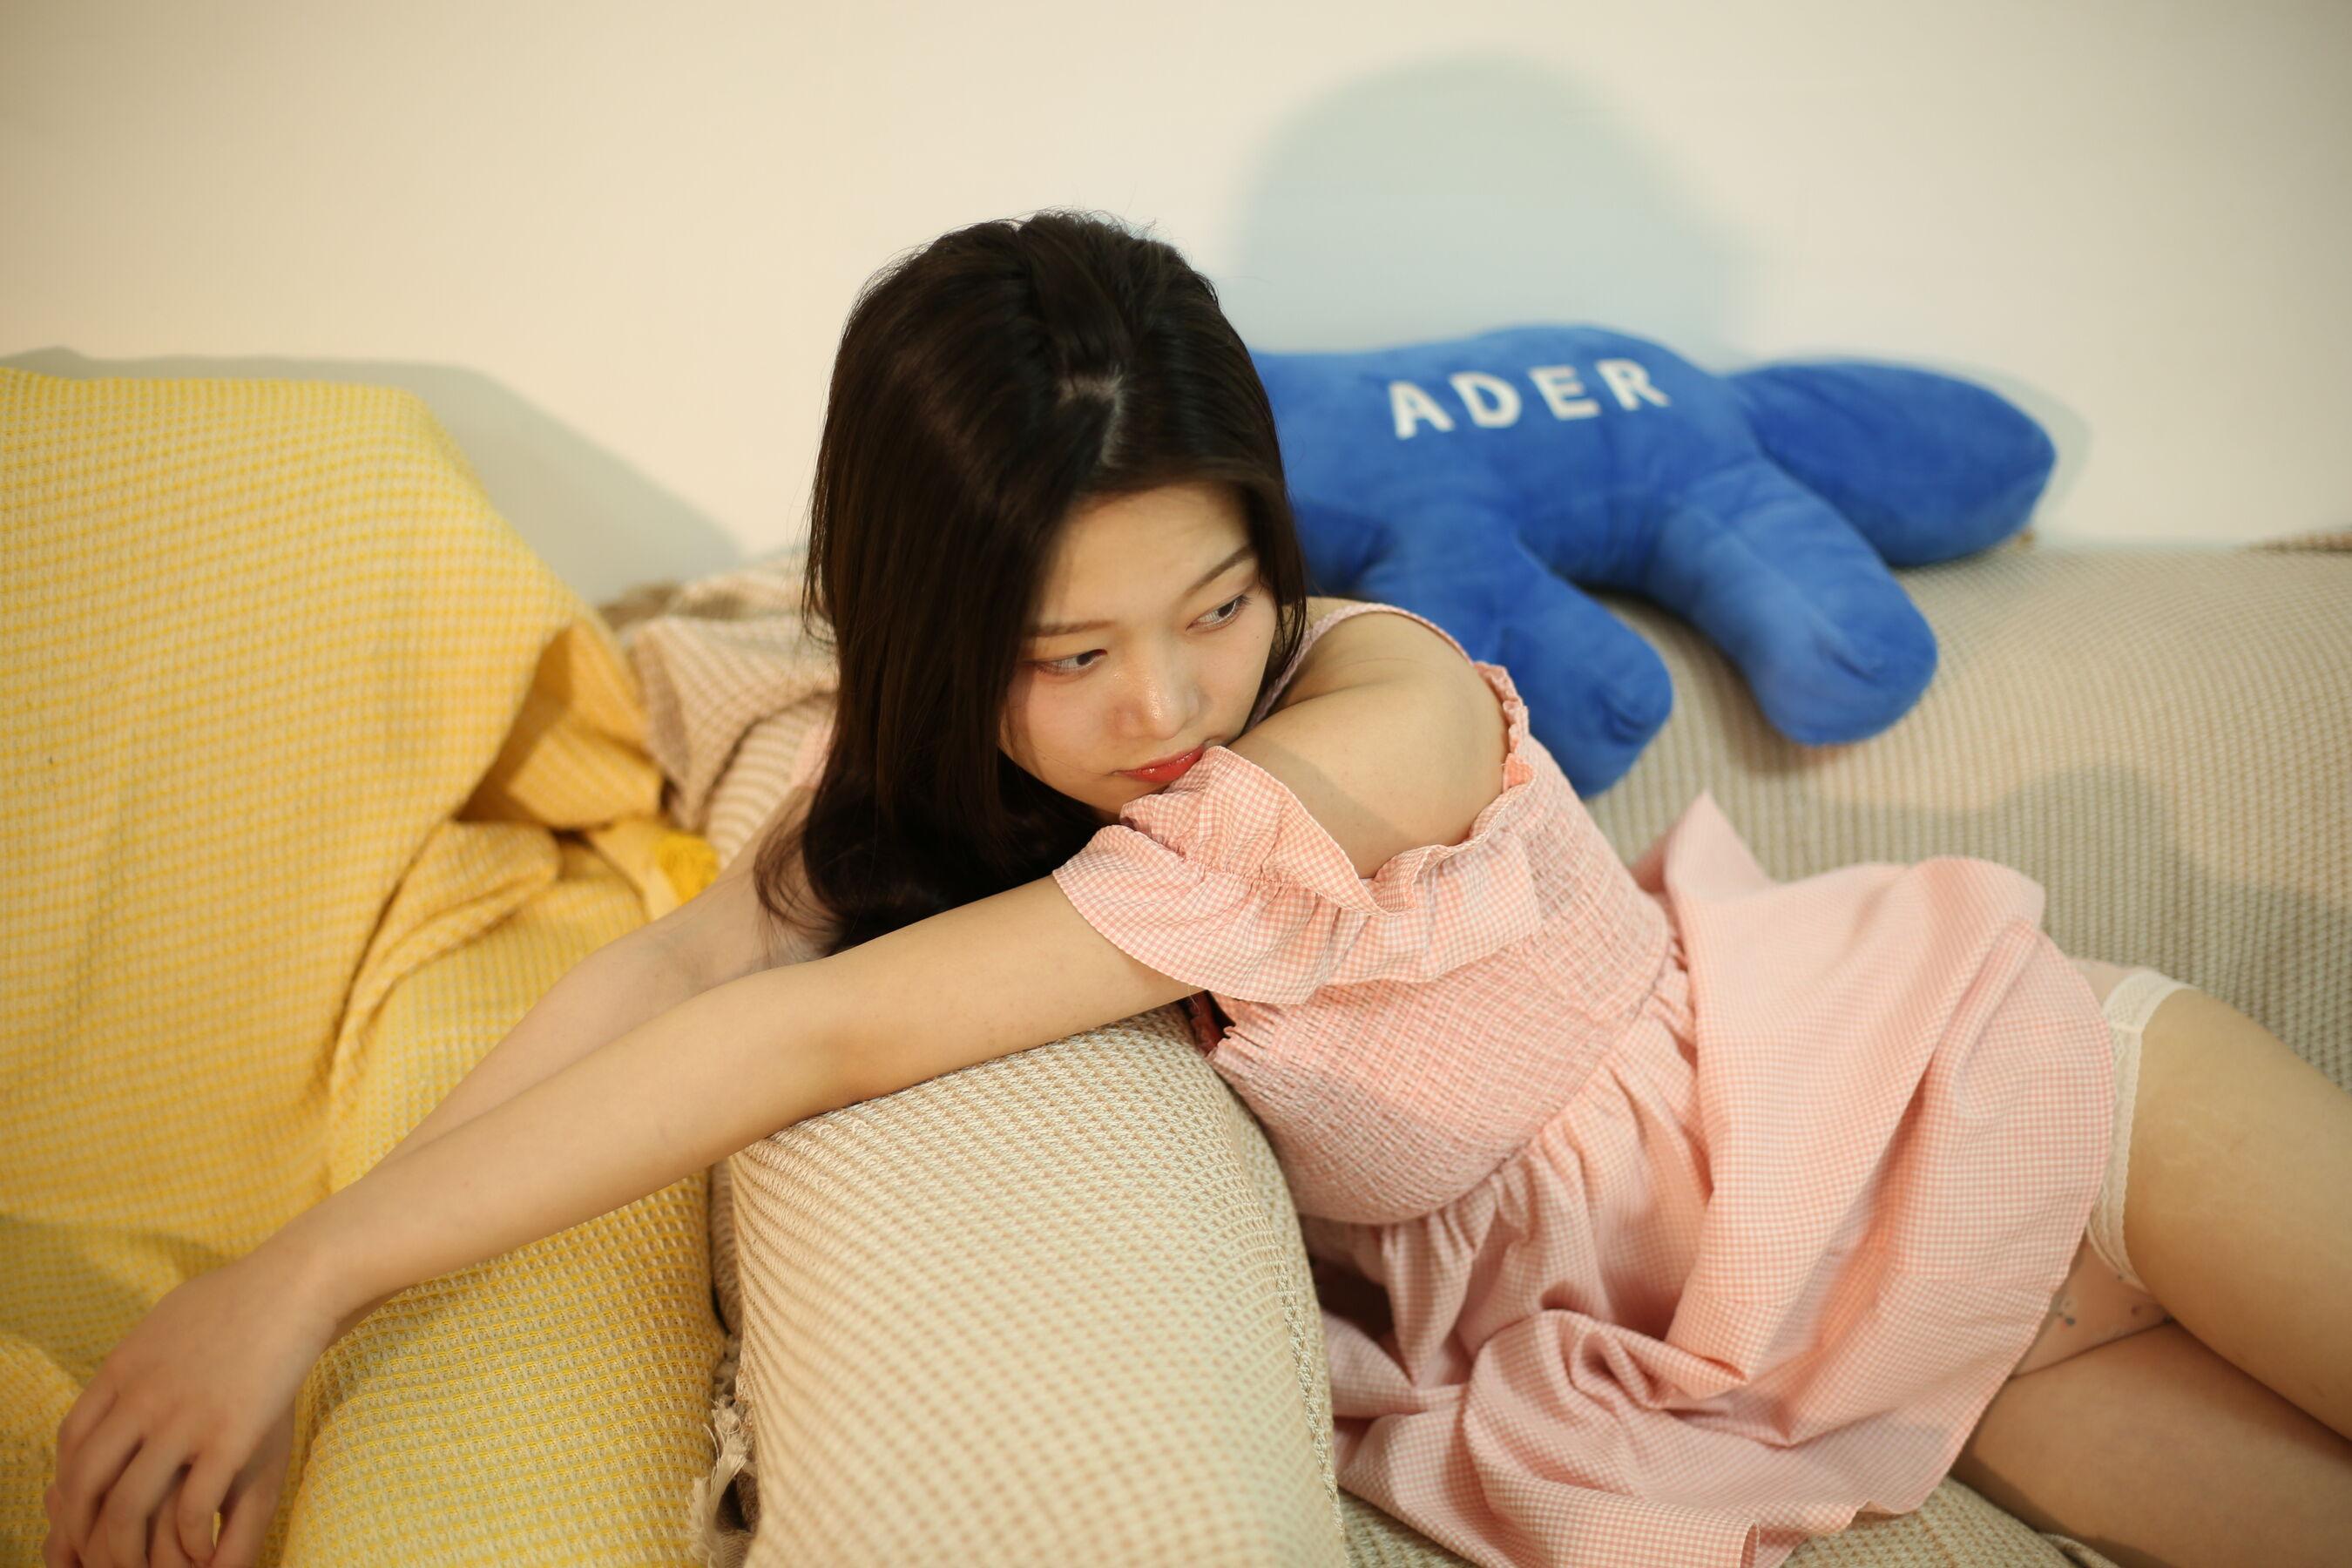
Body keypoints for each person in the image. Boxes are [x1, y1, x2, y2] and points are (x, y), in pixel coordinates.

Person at [44, 209, 2352, 1568]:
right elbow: (689, 967)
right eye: (1066, 653)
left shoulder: (1376, 711)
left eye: (1214, 604)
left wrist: (312, 1278)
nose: (1162, 701)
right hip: (1856, 1351)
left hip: (2015, 1098)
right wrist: (290, 1278)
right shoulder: (928, 801)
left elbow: (810, 1028)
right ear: (939, 630)